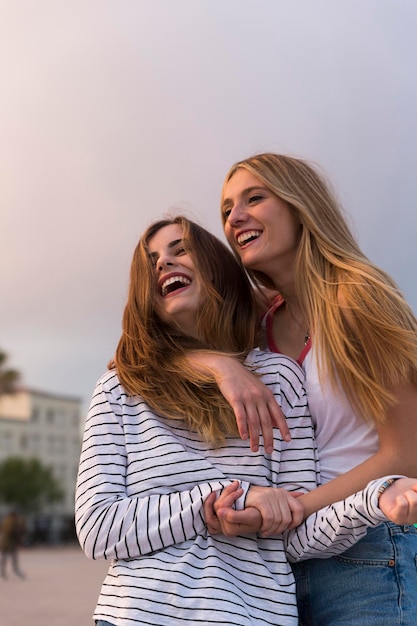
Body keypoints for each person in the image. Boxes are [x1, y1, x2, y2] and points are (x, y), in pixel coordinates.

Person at [75, 216, 417, 626]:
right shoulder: (119, 388)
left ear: (216, 266)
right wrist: (231, 498)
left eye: (180, 249)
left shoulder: (278, 378)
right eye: (150, 261)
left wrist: (374, 498)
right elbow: (97, 528)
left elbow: (295, 532)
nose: (163, 263)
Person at [201, 153, 417, 625]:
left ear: (301, 207)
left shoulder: (358, 298)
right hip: (283, 563)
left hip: (368, 547)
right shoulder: (258, 323)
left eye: (255, 198)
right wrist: (220, 364)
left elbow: (407, 453)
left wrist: (288, 511)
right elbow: (145, 352)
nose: (235, 217)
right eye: (226, 210)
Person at [0, 510, 26, 579]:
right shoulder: (14, 522)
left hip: (4, 542)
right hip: (11, 543)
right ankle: (16, 570)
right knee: (14, 558)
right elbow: (15, 532)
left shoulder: (5, 521)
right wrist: (19, 541)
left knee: (4, 558)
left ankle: (3, 572)